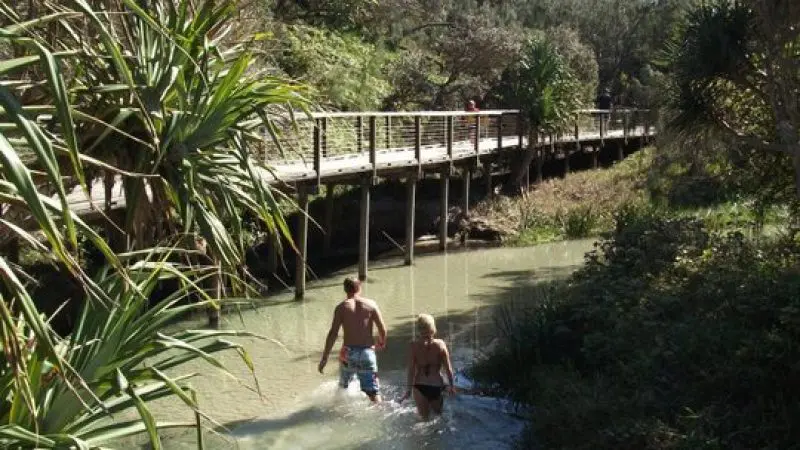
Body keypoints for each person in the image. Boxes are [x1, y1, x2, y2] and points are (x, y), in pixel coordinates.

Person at [318, 277, 387, 403]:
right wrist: (382, 342)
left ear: (345, 290)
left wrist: (325, 357)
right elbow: (382, 328)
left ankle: (338, 412)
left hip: (348, 353)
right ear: (359, 288)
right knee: (373, 393)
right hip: (367, 352)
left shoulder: (341, 308)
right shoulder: (371, 304)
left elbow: (333, 333)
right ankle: (379, 409)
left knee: (343, 387)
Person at [400, 314, 456, 419]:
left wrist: (408, 391)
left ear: (419, 329)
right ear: (433, 328)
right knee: (438, 418)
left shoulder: (413, 346)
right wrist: (452, 386)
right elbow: (448, 369)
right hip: (436, 385)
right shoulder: (441, 345)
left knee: (423, 420)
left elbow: (411, 370)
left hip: (419, 386)